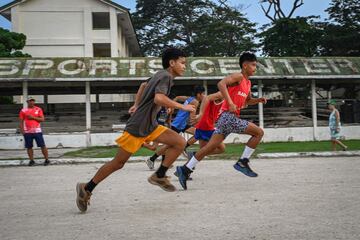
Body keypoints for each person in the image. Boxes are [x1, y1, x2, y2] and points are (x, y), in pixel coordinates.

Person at [75, 48, 196, 213]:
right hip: (139, 127)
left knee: (180, 142)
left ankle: (159, 175)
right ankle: (86, 188)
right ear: (172, 63)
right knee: (118, 163)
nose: (184, 66)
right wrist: (183, 107)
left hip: (150, 125)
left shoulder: (161, 76)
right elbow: (159, 98)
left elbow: (144, 86)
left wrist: (138, 104)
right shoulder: (166, 76)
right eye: (182, 63)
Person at [175, 51, 267, 190]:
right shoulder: (239, 76)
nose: (255, 68)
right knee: (258, 133)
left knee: (209, 148)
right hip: (228, 117)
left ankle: (185, 169)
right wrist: (229, 102)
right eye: (253, 65)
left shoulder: (248, 83)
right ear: (245, 65)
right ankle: (243, 161)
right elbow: (221, 83)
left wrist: (258, 100)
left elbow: (247, 101)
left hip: (226, 120)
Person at [145, 86, 205, 170]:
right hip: (178, 124)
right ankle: (152, 159)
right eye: (203, 94)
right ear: (198, 94)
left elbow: (178, 97)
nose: (204, 96)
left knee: (198, 133)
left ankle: (184, 147)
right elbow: (192, 119)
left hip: (182, 124)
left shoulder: (190, 98)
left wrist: (173, 104)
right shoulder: (195, 102)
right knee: (168, 145)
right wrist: (202, 117)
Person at [19, 96, 49, 166]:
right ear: (27, 102)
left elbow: (42, 119)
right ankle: (31, 160)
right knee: (29, 147)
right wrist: (22, 130)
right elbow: (21, 121)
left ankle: (47, 159)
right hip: (27, 132)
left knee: (42, 145)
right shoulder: (23, 110)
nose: (32, 102)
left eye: (33, 101)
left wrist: (33, 117)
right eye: (30, 101)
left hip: (37, 131)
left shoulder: (38, 109)